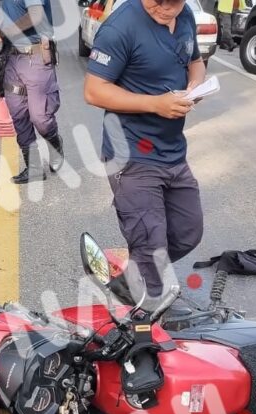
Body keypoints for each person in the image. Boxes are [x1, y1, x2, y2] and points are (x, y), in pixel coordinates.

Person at [84, 0, 206, 307]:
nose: (164, 8)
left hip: (173, 152)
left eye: (173, 3)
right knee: (152, 249)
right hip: (131, 156)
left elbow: (196, 61)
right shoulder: (120, 27)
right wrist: (156, 103)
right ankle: (147, 328)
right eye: (156, 2)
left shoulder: (186, 14)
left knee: (188, 232)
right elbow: (94, 90)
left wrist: (196, 86)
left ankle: (133, 276)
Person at [0, 0, 64, 184]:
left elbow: (36, 15)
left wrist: (0, 35)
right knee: (18, 114)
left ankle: (55, 144)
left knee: (40, 117)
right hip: (12, 58)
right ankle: (33, 168)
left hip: (35, 57)